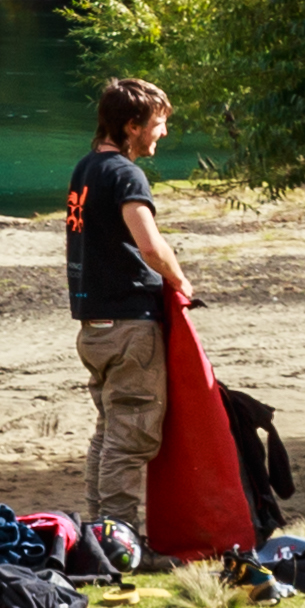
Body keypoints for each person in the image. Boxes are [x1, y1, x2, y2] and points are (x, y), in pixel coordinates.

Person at [65, 73, 195, 541]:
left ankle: (98, 534)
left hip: (93, 326)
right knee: (131, 435)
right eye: (158, 122)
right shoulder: (124, 173)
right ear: (131, 124)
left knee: (108, 432)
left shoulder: (85, 169)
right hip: (128, 326)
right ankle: (120, 540)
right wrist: (181, 281)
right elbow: (151, 246)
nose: (163, 131)